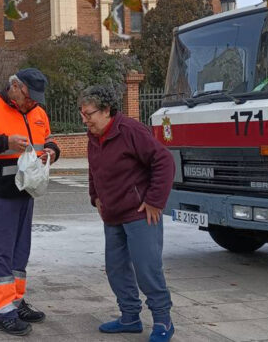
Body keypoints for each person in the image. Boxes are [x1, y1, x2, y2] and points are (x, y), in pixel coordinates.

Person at [0, 68, 61, 336]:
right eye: (29, 97)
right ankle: (3, 311)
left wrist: (52, 151)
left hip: (24, 193)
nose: (32, 103)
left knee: (19, 252)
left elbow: (48, 139)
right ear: (14, 87)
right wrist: (4, 141)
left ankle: (15, 302)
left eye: (36, 99)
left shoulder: (37, 113)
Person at [80, 85, 176, 342]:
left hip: (139, 214)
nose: (85, 119)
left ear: (107, 110)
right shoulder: (94, 136)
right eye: (83, 114)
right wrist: (95, 196)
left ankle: (163, 320)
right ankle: (130, 317)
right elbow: (94, 170)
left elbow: (164, 161)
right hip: (112, 215)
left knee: (147, 268)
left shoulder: (130, 130)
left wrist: (155, 200)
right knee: (116, 269)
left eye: (89, 114)